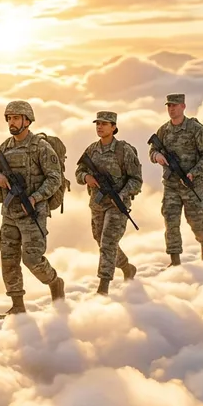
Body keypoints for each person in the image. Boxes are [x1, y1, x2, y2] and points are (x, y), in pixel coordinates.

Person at [0, 101, 65, 315]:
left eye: (16, 118)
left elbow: (54, 178)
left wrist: (35, 197)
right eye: (9, 118)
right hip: (9, 213)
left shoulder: (40, 147)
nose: (11, 122)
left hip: (33, 213)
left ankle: (55, 282)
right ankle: (18, 306)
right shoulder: (4, 147)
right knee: (8, 258)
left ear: (27, 120)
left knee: (32, 259)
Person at [75, 111, 143, 295]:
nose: (99, 126)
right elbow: (79, 171)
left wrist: (121, 194)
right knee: (101, 240)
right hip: (97, 205)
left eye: (104, 124)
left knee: (107, 243)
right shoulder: (91, 150)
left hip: (117, 205)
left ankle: (103, 286)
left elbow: (136, 180)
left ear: (113, 127)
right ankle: (127, 268)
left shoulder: (124, 151)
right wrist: (86, 176)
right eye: (98, 123)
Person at [149, 94, 203, 265]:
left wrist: (194, 172)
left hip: (192, 184)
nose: (171, 109)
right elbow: (152, 150)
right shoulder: (163, 130)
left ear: (183, 106)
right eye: (169, 106)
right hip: (171, 185)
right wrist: (157, 156)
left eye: (175, 106)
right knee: (171, 222)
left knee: (196, 220)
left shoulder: (195, 129)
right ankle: (175, 260)